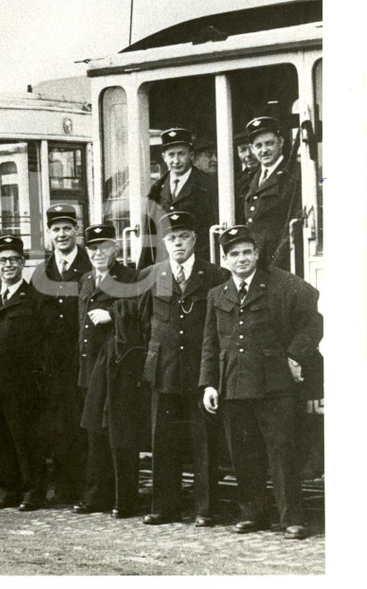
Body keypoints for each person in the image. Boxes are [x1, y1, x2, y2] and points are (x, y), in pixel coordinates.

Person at [200, 225, 322, 540]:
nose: (241, 259)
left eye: (246, 252)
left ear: (256, 254)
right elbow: (210, 344)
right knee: (244, 452)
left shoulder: (282, 286)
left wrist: (295, 356)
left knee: (281, 451)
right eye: (234, 254)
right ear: (225, 260)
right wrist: (209, 384)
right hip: (234, 385)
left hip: (274, 385)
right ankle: (253, 514)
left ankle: (292, 519)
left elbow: (313, 321)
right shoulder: (217, 294)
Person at [138, 212, 228, 527]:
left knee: (203, 441)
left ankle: (206, 509)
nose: (178, 242)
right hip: (163, 369)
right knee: (162, 441)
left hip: (198, 370)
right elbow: (142, 321)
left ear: (195, 240)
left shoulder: (215, 275)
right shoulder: (151, 274)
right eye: (172, 238)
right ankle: (164, 507)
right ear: (164, 242)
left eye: (184, 236)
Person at [73, 224, 143, 518]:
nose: (97, 252)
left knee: (120, 435)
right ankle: (95, 496)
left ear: (116, 247)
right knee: (94, 434)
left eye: (104, 246)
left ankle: (123, 499)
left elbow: (141, 314)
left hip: (117, 368)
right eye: (92, 248)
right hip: (91, 367)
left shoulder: (130, 277)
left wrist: (112, 314)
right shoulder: (86, 279)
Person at [0, 236, 47, 511]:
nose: (8, 265)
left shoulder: (35, 299)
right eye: (3, 260)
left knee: (25, 439)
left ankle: (33, 491)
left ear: (22, 263)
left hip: (22, 383)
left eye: (14, 260)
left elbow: (44, 343)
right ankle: (8, 490)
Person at [29, 204, 93, 504]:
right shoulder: (42, 271)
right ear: (49, 234)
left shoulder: (89, 265)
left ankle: (85, 488)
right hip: (51, 362)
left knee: (82, 423)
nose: (62, 234)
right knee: (57, 425)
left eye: (67, 228)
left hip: (82, 357)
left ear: (76, 230)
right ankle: (65, 487)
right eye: (56, 229)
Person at [145, 128, 218, 264]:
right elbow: (150, 234)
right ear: (164, 157)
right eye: (171, 155)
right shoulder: (157, 190)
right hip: (166, 263)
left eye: (181, 154)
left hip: (200, 262)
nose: (176, 161)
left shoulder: (208, 185)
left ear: (191, 155)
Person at [242, 117, 301, 270]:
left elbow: (294, 221)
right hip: (256, 261)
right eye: (258, 146)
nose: (264, 150)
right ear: (252, 148)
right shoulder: (252, 177)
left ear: (281, 142)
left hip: (280, 263)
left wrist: (277, 263)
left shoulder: (294, 173)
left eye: (269, 143)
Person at [233, 130, 259, 224]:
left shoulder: (266, 177)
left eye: (251, 149)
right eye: (243, 150)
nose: (248, 154)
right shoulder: (236, 181)